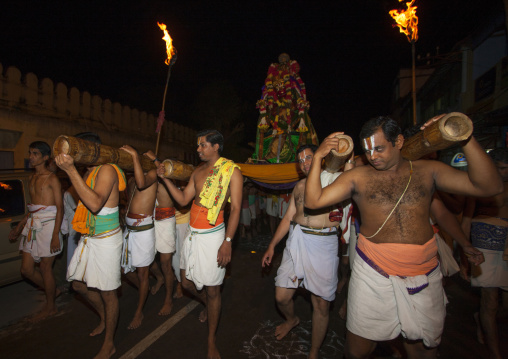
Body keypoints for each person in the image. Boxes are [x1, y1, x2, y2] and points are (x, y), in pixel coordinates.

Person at [304, 116, 503, 359]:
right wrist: (317, 158)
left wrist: (465, 138)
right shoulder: (358, 176)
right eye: (368, 151)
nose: (373, 156)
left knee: (422, 350)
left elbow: (490, 187)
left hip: (424, 272)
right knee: (358, 351)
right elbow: (313, 201)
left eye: (379, 148)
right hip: (373, 272)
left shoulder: (428, 171)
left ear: (398, 141)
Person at [156, 129, 243, 359]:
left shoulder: (231, 172)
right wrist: (164, 179)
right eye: (198, 145)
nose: (198, 149)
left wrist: (227, 242)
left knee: (213, 290)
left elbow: (235, 209)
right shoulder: (198, 171)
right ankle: (209, 305)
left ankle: (211, 340)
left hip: (214, 236)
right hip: (193, 235)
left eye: (202, 145)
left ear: (216, 147)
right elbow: (184, 200)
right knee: (185, 283)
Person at [261, 144, 353, 359]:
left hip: (323, 243)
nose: (305, 163)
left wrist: (346, 155)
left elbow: (351, 172)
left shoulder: (334, 179)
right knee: (282, 296)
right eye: (301, 160)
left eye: (309, 158)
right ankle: (291, 319)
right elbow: (287, 217)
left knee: (320, 303)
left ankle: (313, 351)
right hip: (296, 239)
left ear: (321, 157)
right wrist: (272, 245)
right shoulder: (300, 186)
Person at [55, 132, 126, 359]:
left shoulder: (106, 169)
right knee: (77, 285)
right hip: (90, 238)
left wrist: (70, 170)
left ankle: (109, 344)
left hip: (106, 240)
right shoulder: (90, 172)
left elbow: (95, 204)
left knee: (108, 293)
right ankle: (106, 318)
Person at [8, 141, 63, 322]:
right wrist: (19, 226)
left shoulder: (52, 179)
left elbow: (60, 209)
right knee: (26, 270)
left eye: (35, 154)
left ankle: (51, 307)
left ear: (45, 158)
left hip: (49, 226)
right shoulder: (31, 178)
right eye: (30, 153)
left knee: (46, 268)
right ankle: (52, 291)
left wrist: (55, 235)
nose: (31, 157)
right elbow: (33, 209)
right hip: (33, 224)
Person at [462, 147, 508, 359]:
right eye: (500, 168)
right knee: (490, 299)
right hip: (484, 242)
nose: (503, 172)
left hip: (505, 244)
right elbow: (467, 220)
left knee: (502, 305)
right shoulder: (479, 186)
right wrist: (464, 251)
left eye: (507, 168)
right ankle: (495, 353)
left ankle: (481, 318)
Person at [119, 145, 160, 329]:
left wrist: (136, 155)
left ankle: (139, 312)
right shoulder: (131, 179)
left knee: (142, 272)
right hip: (130, 230)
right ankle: (152, 283)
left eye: (134, 158)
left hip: (143, 230)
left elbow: (143, 184)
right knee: (125, 271)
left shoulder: (151, 174)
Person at [143, 150, 178, 315]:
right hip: (151, 221)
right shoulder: (148, 176)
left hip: (165, 221)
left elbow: (163, 171)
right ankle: (160, 278)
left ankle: (168, 299)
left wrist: (156, 159)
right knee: (147, 260)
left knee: (165, 263)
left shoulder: (167, 176)